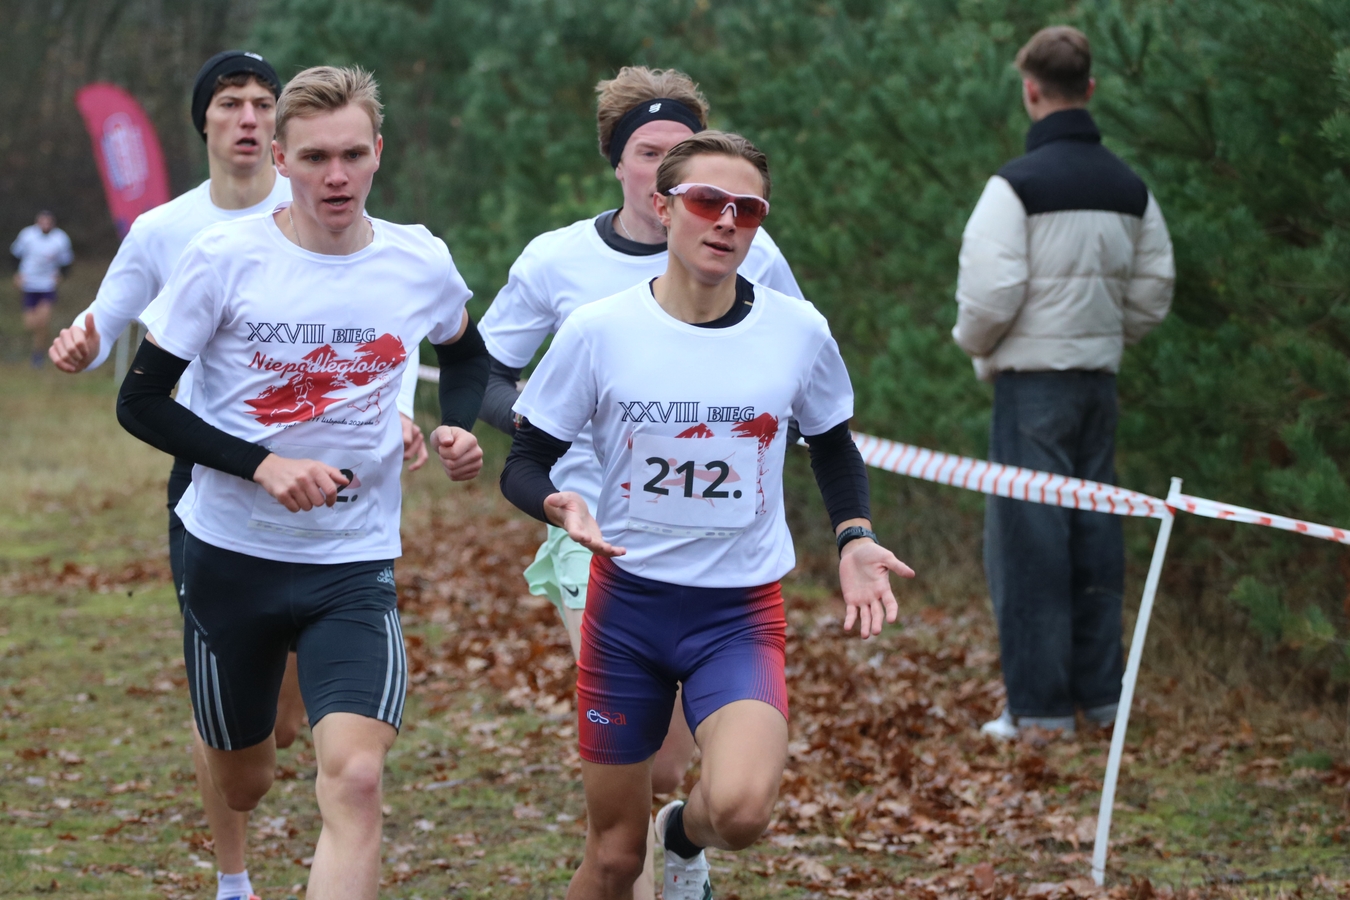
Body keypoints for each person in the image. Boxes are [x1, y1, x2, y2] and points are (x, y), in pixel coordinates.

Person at [46, 52, 421, 900]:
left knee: (298, 728)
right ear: (206, 122)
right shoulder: (170, 230)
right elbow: (108, 327)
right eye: (230, 103)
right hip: (211, 480)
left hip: (335, 503)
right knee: (246, 758)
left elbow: (383, 331)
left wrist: (399, 412)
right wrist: (82, 343)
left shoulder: (337, 206)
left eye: (261, 101)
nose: (247, 116)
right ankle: (233, 875)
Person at [500, 130, 913, 900]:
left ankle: (684, 834)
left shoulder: (797, 330)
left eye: (746, 209)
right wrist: (557, 503)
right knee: (615, 858)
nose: (726, 220)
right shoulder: (598, 330)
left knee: (742, 811)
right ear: (663, 208)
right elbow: (524, 461)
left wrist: (854, 536)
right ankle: (650, 842)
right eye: (706, 201)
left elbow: (831, 444)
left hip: (737, 614)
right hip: (627, 611)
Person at [114, 65, 488, 900]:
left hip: (352, 561)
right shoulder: (225, 259)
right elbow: (139, 403)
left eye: (353, 155)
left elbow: (466, 353)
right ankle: (236, 838)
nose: (337, 176)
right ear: (281, 160)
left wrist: (459, 425)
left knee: (356, 777)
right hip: (231, 557)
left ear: (379, 152)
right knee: (247, 778)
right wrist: (262, 464)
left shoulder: (418, 259)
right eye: (315, 157)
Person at [477, 66, 802, 897]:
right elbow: (485, 374)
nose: (668, 168)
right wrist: (555, 419)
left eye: (683, 152)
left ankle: (674, 839)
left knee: (670, 772)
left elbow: (794, 367)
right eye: (650, 152)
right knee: (641, 779)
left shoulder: (754, 252)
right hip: (590, 525)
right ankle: (635, 858)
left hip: (714, 550)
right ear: (622, 166)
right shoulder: (559, 261)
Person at [951, 26, 1174, 740]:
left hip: (1031, 388)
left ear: (1031, 91)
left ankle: (1041, 712)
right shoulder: (1130, 188)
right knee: (1095, 534)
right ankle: (1101, 702)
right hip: (1097, 384)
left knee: (1031, 544)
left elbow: (989, 297)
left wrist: (976, 346)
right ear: (1091, 88)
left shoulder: (1015, 186)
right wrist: (1103, 339)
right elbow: (1154, 291)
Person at [11, 209, 74, 367]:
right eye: (42, 221)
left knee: (43, 321)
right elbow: (15, 255)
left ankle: (38, 354)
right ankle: (38, 345)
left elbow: (66, 261)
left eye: (48, 222)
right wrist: (17, 274)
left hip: (47, 285)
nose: (45, 224)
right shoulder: (27, 235)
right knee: (30, 324)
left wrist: (61, 275)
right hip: (29, 284)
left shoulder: (60, 238)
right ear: (37, 222)